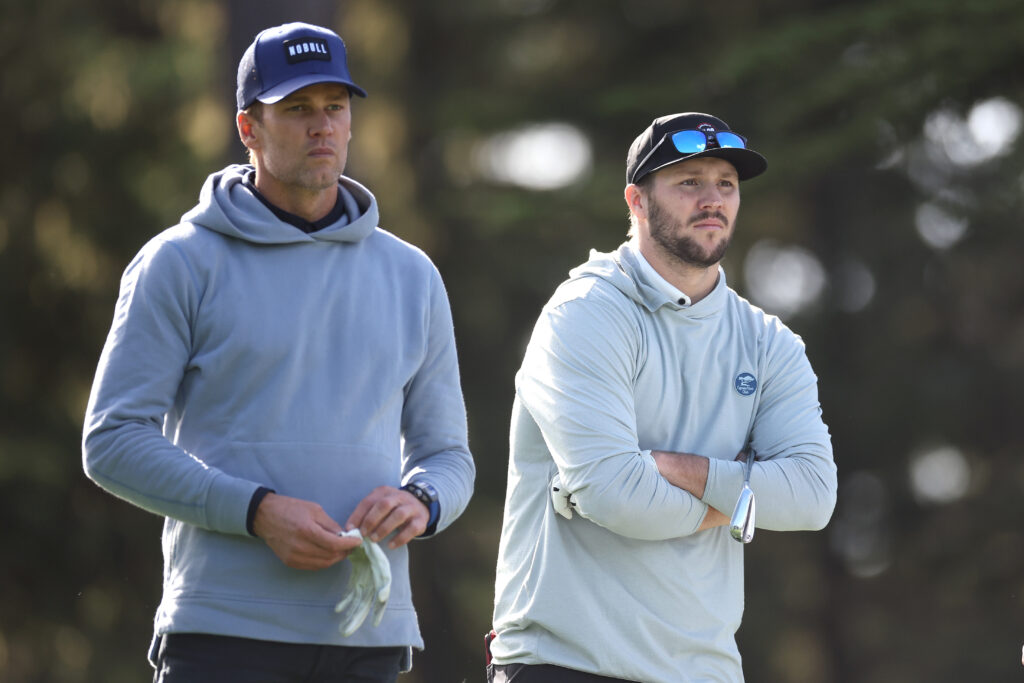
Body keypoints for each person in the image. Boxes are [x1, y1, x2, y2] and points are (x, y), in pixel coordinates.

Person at [82, 22, 475, 683]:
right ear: (248, 128)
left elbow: (448, 456)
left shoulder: (414, 275)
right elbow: (112, 441)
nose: (321, 126)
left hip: (368, 636)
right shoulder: (179, 264)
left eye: (335, 107)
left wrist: (422, 501)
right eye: (296, 108)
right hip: (223, 636)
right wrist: (257, 511)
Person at [488, 112, 837, 682]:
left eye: (725, 183)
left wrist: (676, 469)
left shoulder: (769, 343)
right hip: (565, 665)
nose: (712, 199)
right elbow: (618, 496)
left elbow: (812, 496)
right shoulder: (584, 313)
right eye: (688, 182)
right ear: (637, 202)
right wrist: (747, 493)